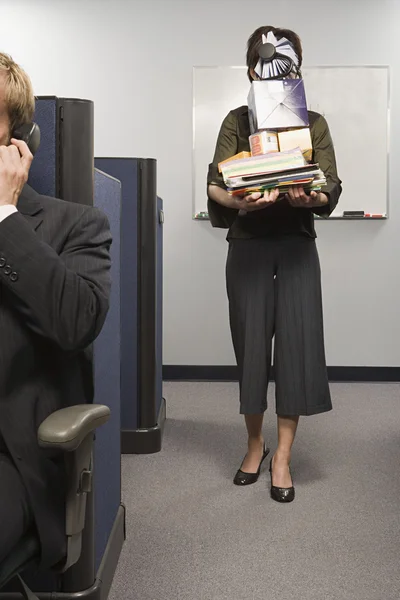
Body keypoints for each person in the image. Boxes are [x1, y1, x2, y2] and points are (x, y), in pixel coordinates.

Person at [207, 26, 342, 503]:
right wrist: (241, 202)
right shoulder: (236, 121)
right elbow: (216, 184)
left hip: (297, 247)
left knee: (297, 349)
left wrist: (311, 198)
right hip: (248, 247)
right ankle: (254, 444)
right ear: (251, 71)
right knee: (250, 350)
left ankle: (282, 455)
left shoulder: (316, 122)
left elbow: (330, 185)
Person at [0, 53, 111, 567]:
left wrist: (4, 216)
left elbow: (77, 322)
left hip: (10, 458)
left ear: (18, 140)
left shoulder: (75, 225)